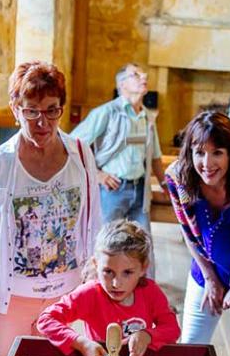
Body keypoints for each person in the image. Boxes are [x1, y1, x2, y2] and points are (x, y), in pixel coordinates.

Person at [0, 60, 102, 356]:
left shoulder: (80, 155)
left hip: (67, 297)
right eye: (32, 111)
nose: (43, 122)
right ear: (15, 109)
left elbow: (95, 226)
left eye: (52, 111)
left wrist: (97, 289)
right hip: (7, 302)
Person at [164, 111, 230, 356]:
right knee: (191, 345)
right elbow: (189, 235)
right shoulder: (179, 178)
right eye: (200, 152)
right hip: (206, 269)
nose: (207, 163)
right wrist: (211, 278)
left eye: (218, 153)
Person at [37, 219, 180, 356]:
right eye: (108, 272)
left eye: (128, 272)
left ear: (143, 268)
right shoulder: (89, 293)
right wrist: (81, 343)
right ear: (96, 264)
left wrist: (147, 335)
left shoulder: (150, 291)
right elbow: (46, 320)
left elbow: (172, 329)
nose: (116, 284)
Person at [70, 63, 167, 246]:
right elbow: (72, 144)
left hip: (140, 191)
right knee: (106, 244)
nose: (144, 77)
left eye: (143, 74)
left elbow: (155, 155)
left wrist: (164, 183)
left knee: (142, 246)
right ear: (122, 84)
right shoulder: (106, 112)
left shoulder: (148, 116)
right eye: (136, 75)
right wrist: (97, 174)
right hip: (112, 191)